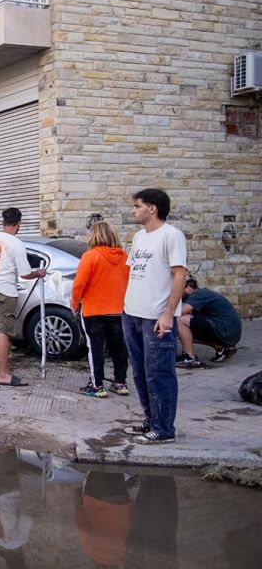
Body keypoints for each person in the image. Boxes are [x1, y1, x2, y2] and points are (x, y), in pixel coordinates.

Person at [122, 188, 186, 445]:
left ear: (153, 208)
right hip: (132, 313)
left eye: (137, 206)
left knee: (159, 372)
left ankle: (164, 428)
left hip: (156, 317)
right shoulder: (139, 237)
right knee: (139, 372)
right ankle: (150, 420)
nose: (133, 210)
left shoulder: (172, 236)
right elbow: (133, 272)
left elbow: (179, 275)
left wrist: (169, 314)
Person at [0, 208, 47, 386]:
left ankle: (4, 368)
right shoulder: (16, 244)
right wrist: (39, 273)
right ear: (19, 224)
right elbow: (25, 274)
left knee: (2, 330)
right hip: (4, 291)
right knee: (3, 331)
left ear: (2, 222)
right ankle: (2, 375)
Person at [71, 221, 131, 398]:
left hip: (93, 310)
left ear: (94, 236)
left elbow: (79, 284)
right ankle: (120, 382)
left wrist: (75, 304)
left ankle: (97, 385)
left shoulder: (90, 256)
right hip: (118, 310)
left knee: (95, 347)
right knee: (118, 347)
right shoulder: (125, 257)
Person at [176, 277, 242, 367]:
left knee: (179, 320)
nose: (179, 296)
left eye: (179, 291)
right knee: (183, 331)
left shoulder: (198, 294)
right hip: (231, 331)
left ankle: (189, 357)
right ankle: (222, 348)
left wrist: (163, 316)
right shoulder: (204, 294)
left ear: (188, 288)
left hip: (226, 329)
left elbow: (181, 311)